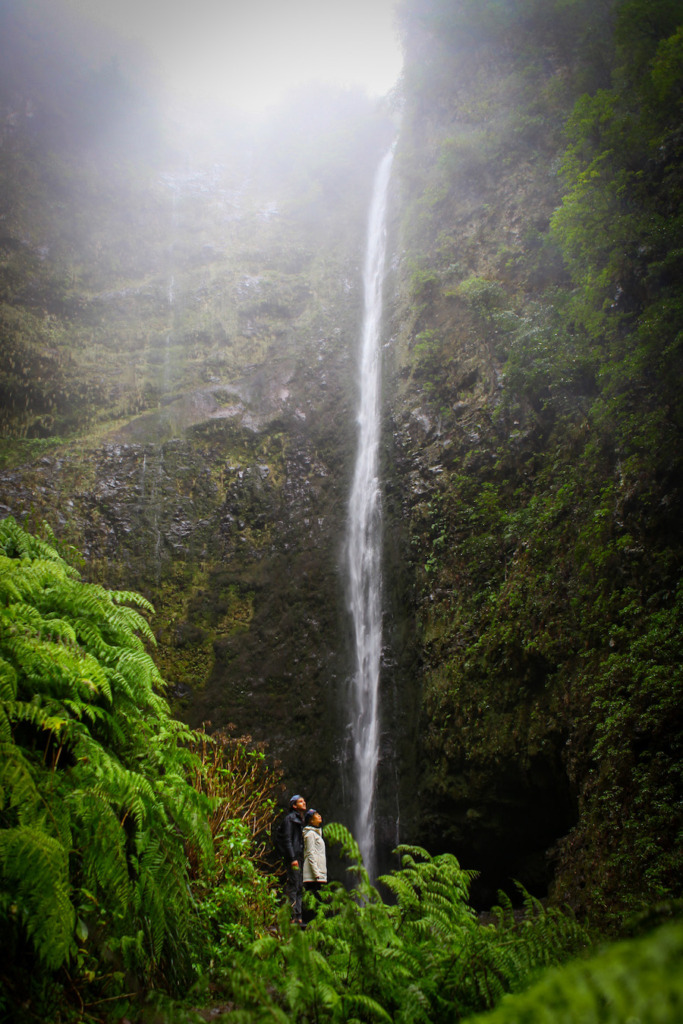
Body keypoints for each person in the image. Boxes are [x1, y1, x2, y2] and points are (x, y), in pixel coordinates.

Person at [283, 793, 306, 924]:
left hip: (298, 857)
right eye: (301, 802)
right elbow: (287, 840)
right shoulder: (290, 819)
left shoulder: (299, 820)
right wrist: (292, 858)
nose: (304, 803)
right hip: (294, 858)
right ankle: (292, 916)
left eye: (304, 801)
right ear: (294, 805)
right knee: (293, 884)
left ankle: (298, 916)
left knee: (299, 885)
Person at [302, 808, 327, 921]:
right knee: (313, 901)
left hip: (318, 874)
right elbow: (310, 854)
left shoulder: (316, 834)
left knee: (316, 901)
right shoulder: (310, 835)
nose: (319, 815)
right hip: (313, 875)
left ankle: (315, 924)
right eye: (316, 815)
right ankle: (311, 924)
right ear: (311, 821)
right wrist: (316, 873)